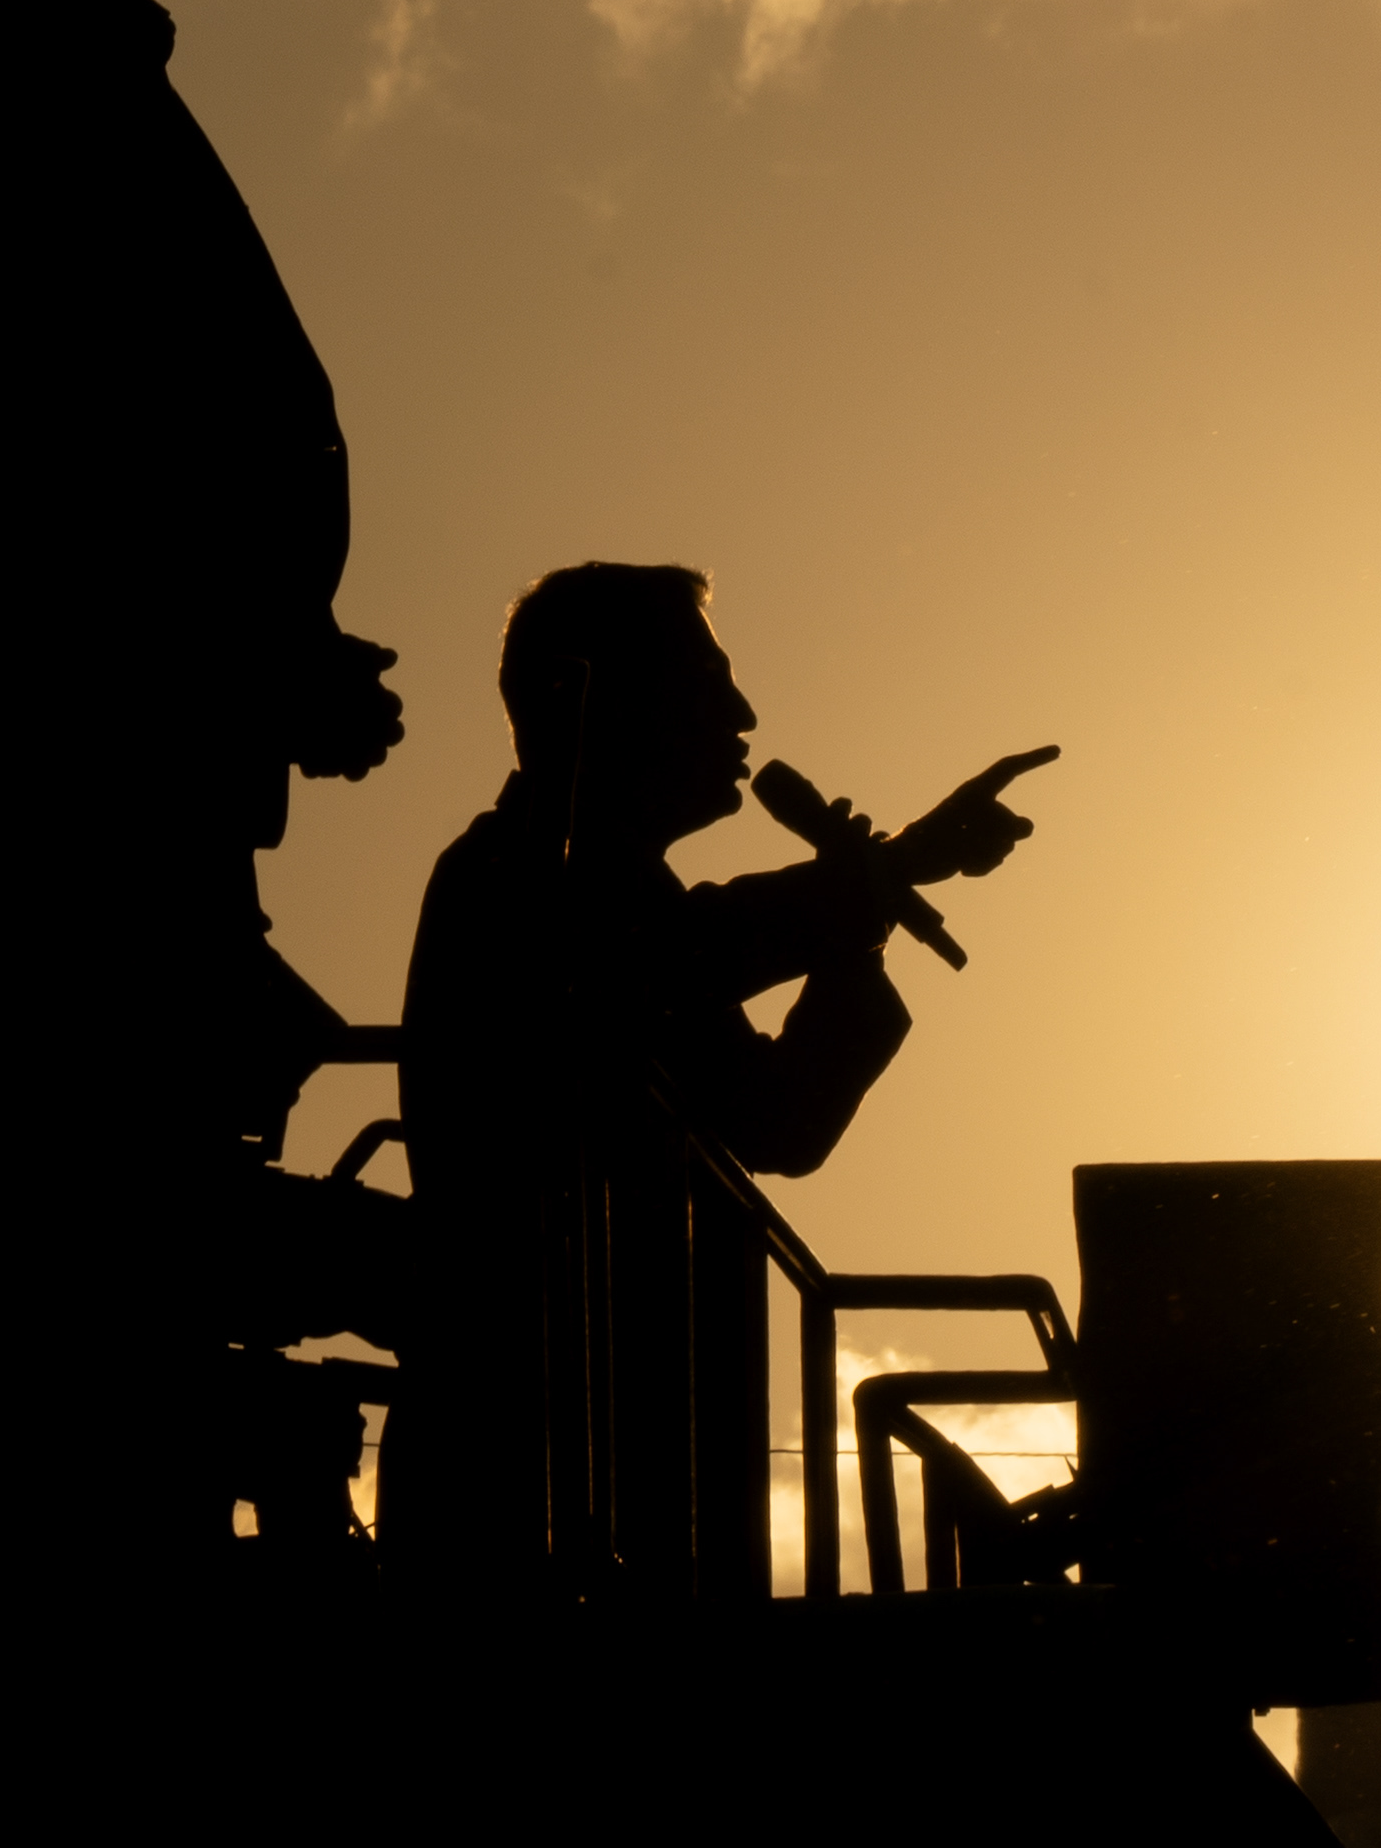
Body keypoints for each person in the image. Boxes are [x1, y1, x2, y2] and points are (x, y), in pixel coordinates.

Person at [0, 0, 401, 1610]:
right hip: (79, 853)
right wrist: (250, 647)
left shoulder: (59, 70)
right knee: (96, 1320)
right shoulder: (24, 88)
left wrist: (274, 644)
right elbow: (41, 478)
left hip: (156, 824)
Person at [384, 561, 1051, 1580]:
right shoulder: (518, 875)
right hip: (533, 1460)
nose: (743, 713)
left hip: (634, 1458)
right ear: (592, 698)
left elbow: (780, 1118)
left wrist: (859, 924)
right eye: (706, 683)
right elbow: (677, 949)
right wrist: (882, 875)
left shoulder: (596, 889)